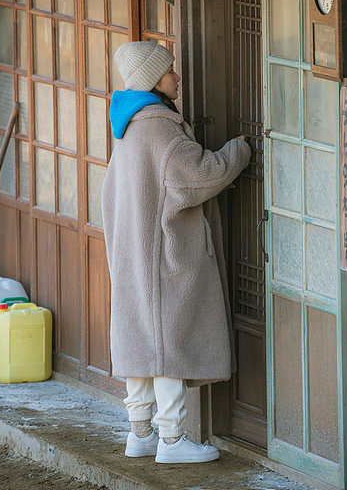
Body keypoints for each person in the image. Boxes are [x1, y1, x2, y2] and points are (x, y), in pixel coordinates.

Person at [101, 41, 251, 463]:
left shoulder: (128, 124)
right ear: (153, 79)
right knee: (167, 340)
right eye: (170, 71)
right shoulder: (159, 127)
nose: (177, 76)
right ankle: (171, 440)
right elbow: (200, 175)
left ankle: (140, 432)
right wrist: (239, 150)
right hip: (165, 254)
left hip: (134, 249)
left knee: (141, 336)